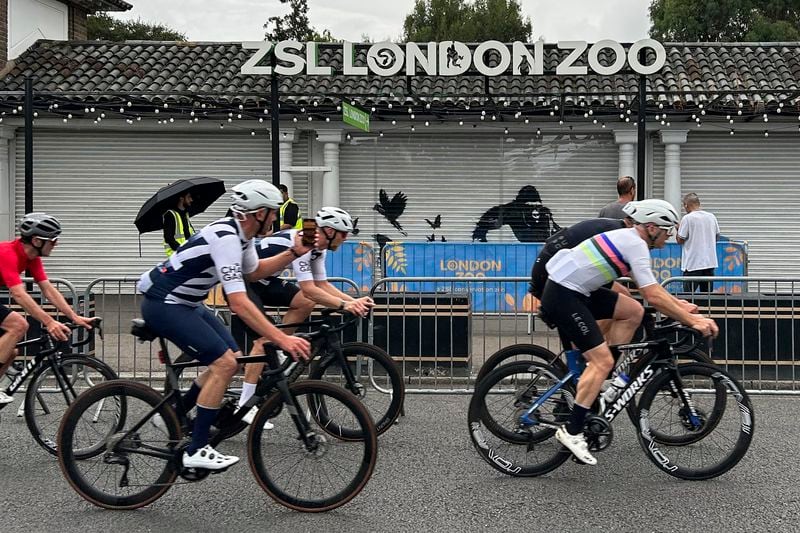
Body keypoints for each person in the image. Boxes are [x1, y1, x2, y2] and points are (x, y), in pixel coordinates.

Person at [137, 180, 313, 471]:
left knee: (232, 360)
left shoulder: (241, 237)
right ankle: (197, 449)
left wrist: (292, 253)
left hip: (187, 303)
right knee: (223, 365)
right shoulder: (227, 237)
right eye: (271, 212)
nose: (275, 217)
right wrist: (281, 338)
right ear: (257, 213)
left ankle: (174, 411)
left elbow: (254, 273)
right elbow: (240, 303)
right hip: (164, 302)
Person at [539, 199, 718, 465]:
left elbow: (651, 288)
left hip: (578, 290)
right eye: (666, 229)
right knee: (602, 360)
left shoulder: (632, 240)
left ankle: (609, 381)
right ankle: (573, 431)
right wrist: (693, 322)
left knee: (633, 311)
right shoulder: (635, 244)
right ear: (651, 227)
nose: (669, 236)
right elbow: (653, 294)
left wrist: (679, 306)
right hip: (563, 295)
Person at [234, 206, 375, 426]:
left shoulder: (320, 247)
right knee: (263, 342)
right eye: (343, 233)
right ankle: (244, 405)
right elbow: (309, 288)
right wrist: (344, 305)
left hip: (265, 282)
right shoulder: (306, 241)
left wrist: (351, 301)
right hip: (245, 284)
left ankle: (278, 347)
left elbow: (322, 285)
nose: (346, 238)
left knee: (304, 302)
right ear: (328, 231)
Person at [0, 213, 95, 404]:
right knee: (18, 325)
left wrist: (74, 316)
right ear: (36, 240)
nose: (56, 244)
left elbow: (48, 290)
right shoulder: (7, 253)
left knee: (11, 352)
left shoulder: (32, 259)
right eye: (53, 240)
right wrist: (49, 322)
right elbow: (18, 294)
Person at [529, 216, 634, 303]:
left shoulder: (611, 225)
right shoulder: (618, 232)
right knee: (622, 297)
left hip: (550, 266)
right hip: (551, 272)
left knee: (619, 302)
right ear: (631, 224)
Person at [472, 185, 560, 242]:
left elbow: (557, 232)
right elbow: (481, 228)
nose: (535, 211)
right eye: (530, 207)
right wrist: (483, 248)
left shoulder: (544, 213)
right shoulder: (510, 211)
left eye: (537, 207)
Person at [677, 193, 720, 294]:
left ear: (686, 205)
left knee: (688, 296)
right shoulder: (711, 217)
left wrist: (678, 229)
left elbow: (680, 240)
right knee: (707, 298)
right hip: (709, 263)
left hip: (692, 264)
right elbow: (717, 236)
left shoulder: (687, 218)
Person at [162, 191, 195, 257]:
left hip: (187, 255)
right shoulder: (170, 215)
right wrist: (182, 250)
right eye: (188, 197)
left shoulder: (185, 214)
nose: (191, 200)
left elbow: (190, 234)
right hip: (176, 257)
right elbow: (169, 238)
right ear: (181, 198)